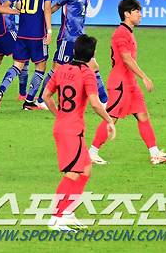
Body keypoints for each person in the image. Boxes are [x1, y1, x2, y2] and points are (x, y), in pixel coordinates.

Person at [41, 34, 116, 231]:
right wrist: (109, 120)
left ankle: (68, 212)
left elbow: (46, 96)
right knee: (73, 173)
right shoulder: (87, 73)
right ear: (92, 55)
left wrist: (59, 114)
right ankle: (55, 218)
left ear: (75, 51)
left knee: (86, 169)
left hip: (66, 127)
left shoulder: (61, 69)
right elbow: (95, 103)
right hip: (72, 130)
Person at [88, 0, 166, 165]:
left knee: (143, 116)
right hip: (120, 83)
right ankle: (92, 152)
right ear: (127, 14)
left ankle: (155, 153)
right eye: (136, 11)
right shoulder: (121, 33)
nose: (140, 14)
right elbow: (126, 59)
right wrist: (144, 76)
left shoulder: (128, 32)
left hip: (130, 83)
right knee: (111, 118)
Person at [35, 0, 108, 108]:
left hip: (81, 39)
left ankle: (105, 100)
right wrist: (41, 20)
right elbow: (54, 7)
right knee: (56, 69)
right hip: (67, 38)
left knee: (93, 66)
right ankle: (41, 99)